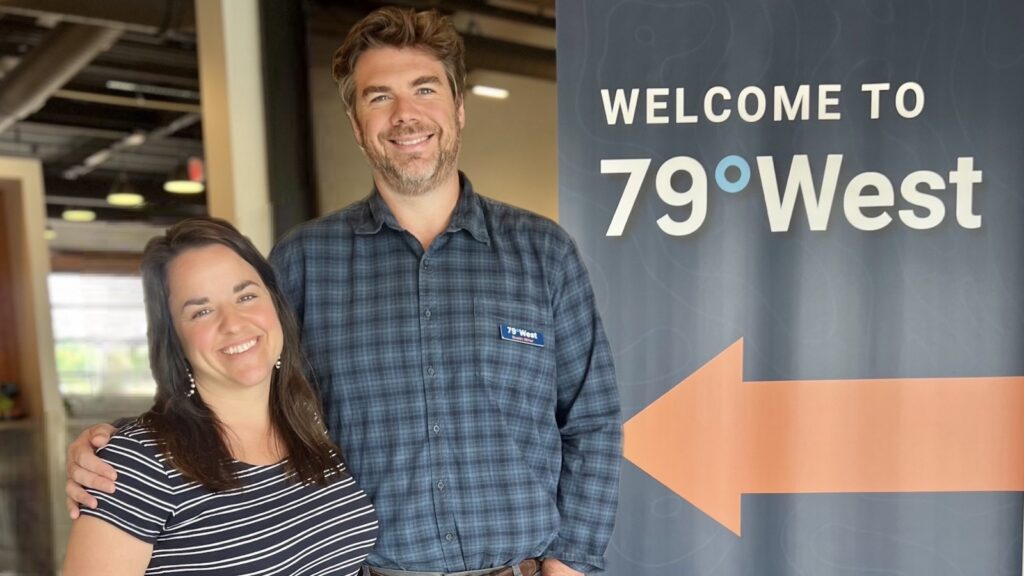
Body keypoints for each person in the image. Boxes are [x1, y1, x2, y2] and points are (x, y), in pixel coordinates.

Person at [66, 7, 620, 576]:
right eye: (378, 97)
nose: (405, 115)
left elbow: (592, 420)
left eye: (424, 89)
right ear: (357, 126)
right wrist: (124, 452)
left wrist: (569, 566)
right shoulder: (304, 261)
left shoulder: (543, 253)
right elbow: (239, 376)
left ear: (457, 108)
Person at [62, 218, 377, 575]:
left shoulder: (311, 424)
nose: (233, 323)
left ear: (275, 303)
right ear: (173, 339)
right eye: (202, 311)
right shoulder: (136, 465)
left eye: (246, 296)